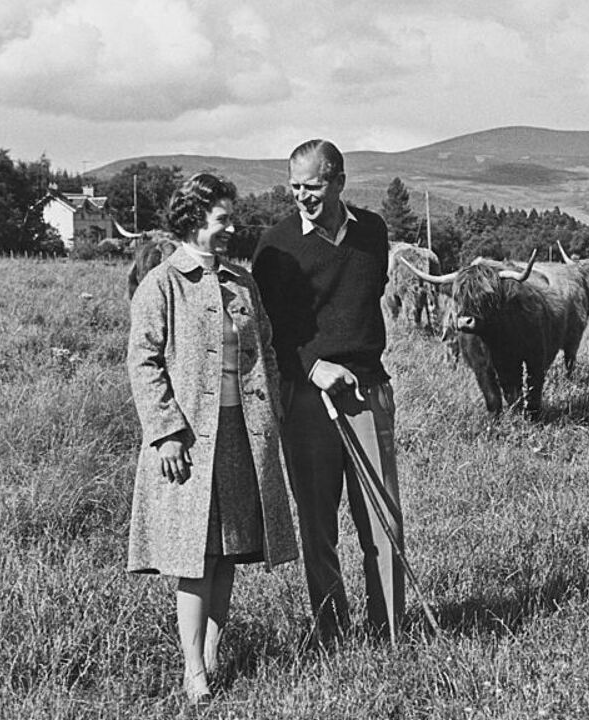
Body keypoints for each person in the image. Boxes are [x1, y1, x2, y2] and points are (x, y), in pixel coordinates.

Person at [126, 173, 298, 703]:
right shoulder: (162, 284)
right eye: (222, 219)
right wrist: (167, 434)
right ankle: (193, 670)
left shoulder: (242, 283)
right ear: (194, 221)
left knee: (228, 553)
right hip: (189, 445)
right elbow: (143, 361)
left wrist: (273, 419)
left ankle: (213, 656)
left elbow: (265, 350)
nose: (230, 228)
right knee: (194, 558)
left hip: (243, 439)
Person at [252, 139, 405, 649]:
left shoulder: (373, 233)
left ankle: (389, 633)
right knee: (318, 527)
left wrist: (355, 368)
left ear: (338, 181)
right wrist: (313, 367)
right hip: (309, 401)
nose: (302, 197)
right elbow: (267, 330)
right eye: (295, 187)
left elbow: (366, 302)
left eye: (312, 187)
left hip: (367, 392)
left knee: (383, 524)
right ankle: (332, 633)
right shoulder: (274, 247)